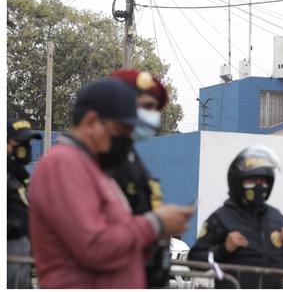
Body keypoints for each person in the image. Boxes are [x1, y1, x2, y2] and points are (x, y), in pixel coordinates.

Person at [28, 79, 194, 288]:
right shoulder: (63, 164)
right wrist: (155, 223)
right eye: (121, 130)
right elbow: (94, 246)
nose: (125, 139)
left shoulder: (94, 168)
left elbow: (118, 234)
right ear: (91, 122)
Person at [188, 146, 283, 288]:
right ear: (237, 182)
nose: (259, 186)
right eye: (252, 180)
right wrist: (224, 249)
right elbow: (194, 261)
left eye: (263, 181)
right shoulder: (221, 218)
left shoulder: (277, 218)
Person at [107, 69, 170, 287]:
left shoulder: (132, 158)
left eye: (154, 108)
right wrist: (157, 223)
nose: (152, 115)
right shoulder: (101, 162)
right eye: (145, 107)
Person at [7, 118, 41, 288]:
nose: (26, 147)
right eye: (21, 142)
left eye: (28, 142)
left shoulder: (18, 176)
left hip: (20, 259)